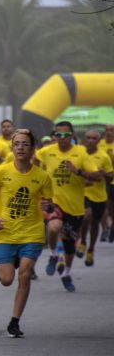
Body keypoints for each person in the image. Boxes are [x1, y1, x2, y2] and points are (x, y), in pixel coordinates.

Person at [0, 129, 53, 337]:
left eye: (25, 144)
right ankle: (12, 260)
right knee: (6, 280)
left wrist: (47, 206)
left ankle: (15, 321)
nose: (20, 147)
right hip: (4, 233)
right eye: (17, 144)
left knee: (25, 274)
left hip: (32, 233)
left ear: (32, 149)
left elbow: (48, 204)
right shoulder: (1, 172)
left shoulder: (42, 177)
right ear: (12, 148)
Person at [34, 121, 99, 292]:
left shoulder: (81, 153)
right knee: (54, 227)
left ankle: (66, 274)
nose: (61, 138)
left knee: (70, 245)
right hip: (53, 201)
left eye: (65, 135)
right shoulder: (48, 151)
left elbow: (97, 176)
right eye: (58, 135)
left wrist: (77, 171)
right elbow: (33, 159)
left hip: (75, 206)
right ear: (55, 136)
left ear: (71, 136)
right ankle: (54, 255)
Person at [77, 130, 113, 265]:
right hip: (83, 193)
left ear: (99, 141)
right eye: (88, 138)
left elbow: (111, 175)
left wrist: (104, 174)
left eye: (94, 138)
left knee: (94, 223)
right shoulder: (80, 153)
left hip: (99, 195)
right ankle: (83, 242)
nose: (91, 140)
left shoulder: (103, 156)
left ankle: (91, 249)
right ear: (84, 139)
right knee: (86, 216)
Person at [98, 124, 114, 242]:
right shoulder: (100, 144)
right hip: (102, 180)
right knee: (105, 205)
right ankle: (105, 229)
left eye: (111, 130)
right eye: (107, 130)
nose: (109, 132)